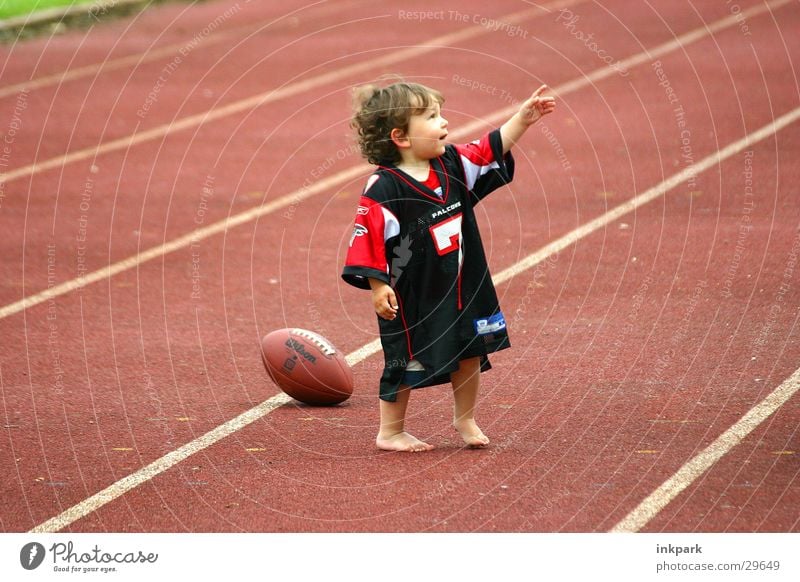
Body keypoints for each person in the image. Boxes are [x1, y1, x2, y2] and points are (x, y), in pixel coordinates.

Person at [342, 80, 556, 452]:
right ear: (401, 137)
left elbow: (490, 148)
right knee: (406, 360)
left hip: (464, 283)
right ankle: (390, 431)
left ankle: (465, 417)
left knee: (472, 350)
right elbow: (369, 239)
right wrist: (379, 287)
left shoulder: (453, 163)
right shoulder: (383, 187)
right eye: (430, 117)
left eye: (440, 114)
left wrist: (523, 119)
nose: (444, 123)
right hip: (415, 296)